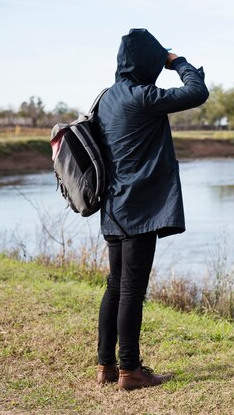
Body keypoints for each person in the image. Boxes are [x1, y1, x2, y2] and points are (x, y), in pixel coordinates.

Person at [93, 28, 209, 391]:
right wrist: (179, 63)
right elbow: (197, 92)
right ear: (148, 62)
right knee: (131, 291)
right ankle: (130, 371)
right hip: (139, 207)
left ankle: (106, 366)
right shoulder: (142, 96)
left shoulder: (106, 98)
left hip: (112, 206)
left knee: (114, 287)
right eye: (156, 59)